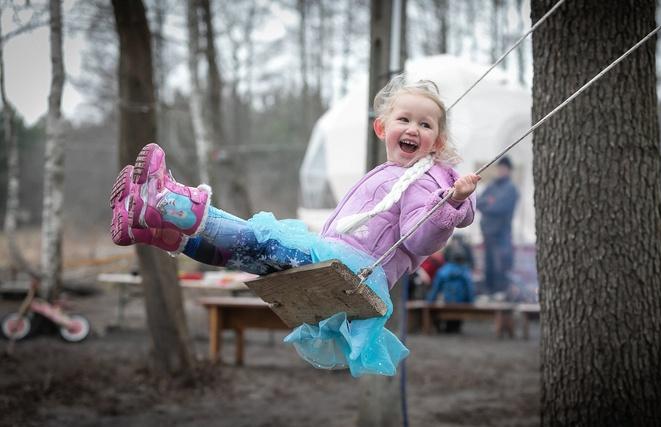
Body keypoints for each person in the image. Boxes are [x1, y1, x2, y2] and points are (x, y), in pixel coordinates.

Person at [109, 75, 479, 376]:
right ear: (382, 127)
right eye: (405, 119)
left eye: (425, 124)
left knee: (256, 236)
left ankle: (166, 200)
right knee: (246, 254)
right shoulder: (392, 172)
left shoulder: (427, 183)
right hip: (337, 260)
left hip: (353, 269)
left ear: (437, 141)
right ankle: (152, 228)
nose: (413, 128)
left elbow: (421, 238)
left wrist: (452, 202)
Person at [476, 157, 518, 300]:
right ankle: (489, 292)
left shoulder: (511, 189)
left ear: (509, 170)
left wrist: (489, 203)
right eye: (500, 168)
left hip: (502, 233)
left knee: (500, 264)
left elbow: (500, 207)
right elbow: (479, 202)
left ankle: (501, 292)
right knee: (488, 264)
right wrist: (490, 202)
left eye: (504, 168)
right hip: (488, 232)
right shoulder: (491, 186)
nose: (501, 171)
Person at [426, 247, 475, 333]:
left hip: (447, 301)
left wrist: (430, 301)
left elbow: (436, 288)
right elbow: (469, 288)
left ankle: (446, 327)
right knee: (457, 317)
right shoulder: (465, 271)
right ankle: (456, 327)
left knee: (443, 307)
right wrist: (471, 302)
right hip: (461, 303)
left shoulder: (443, 270)